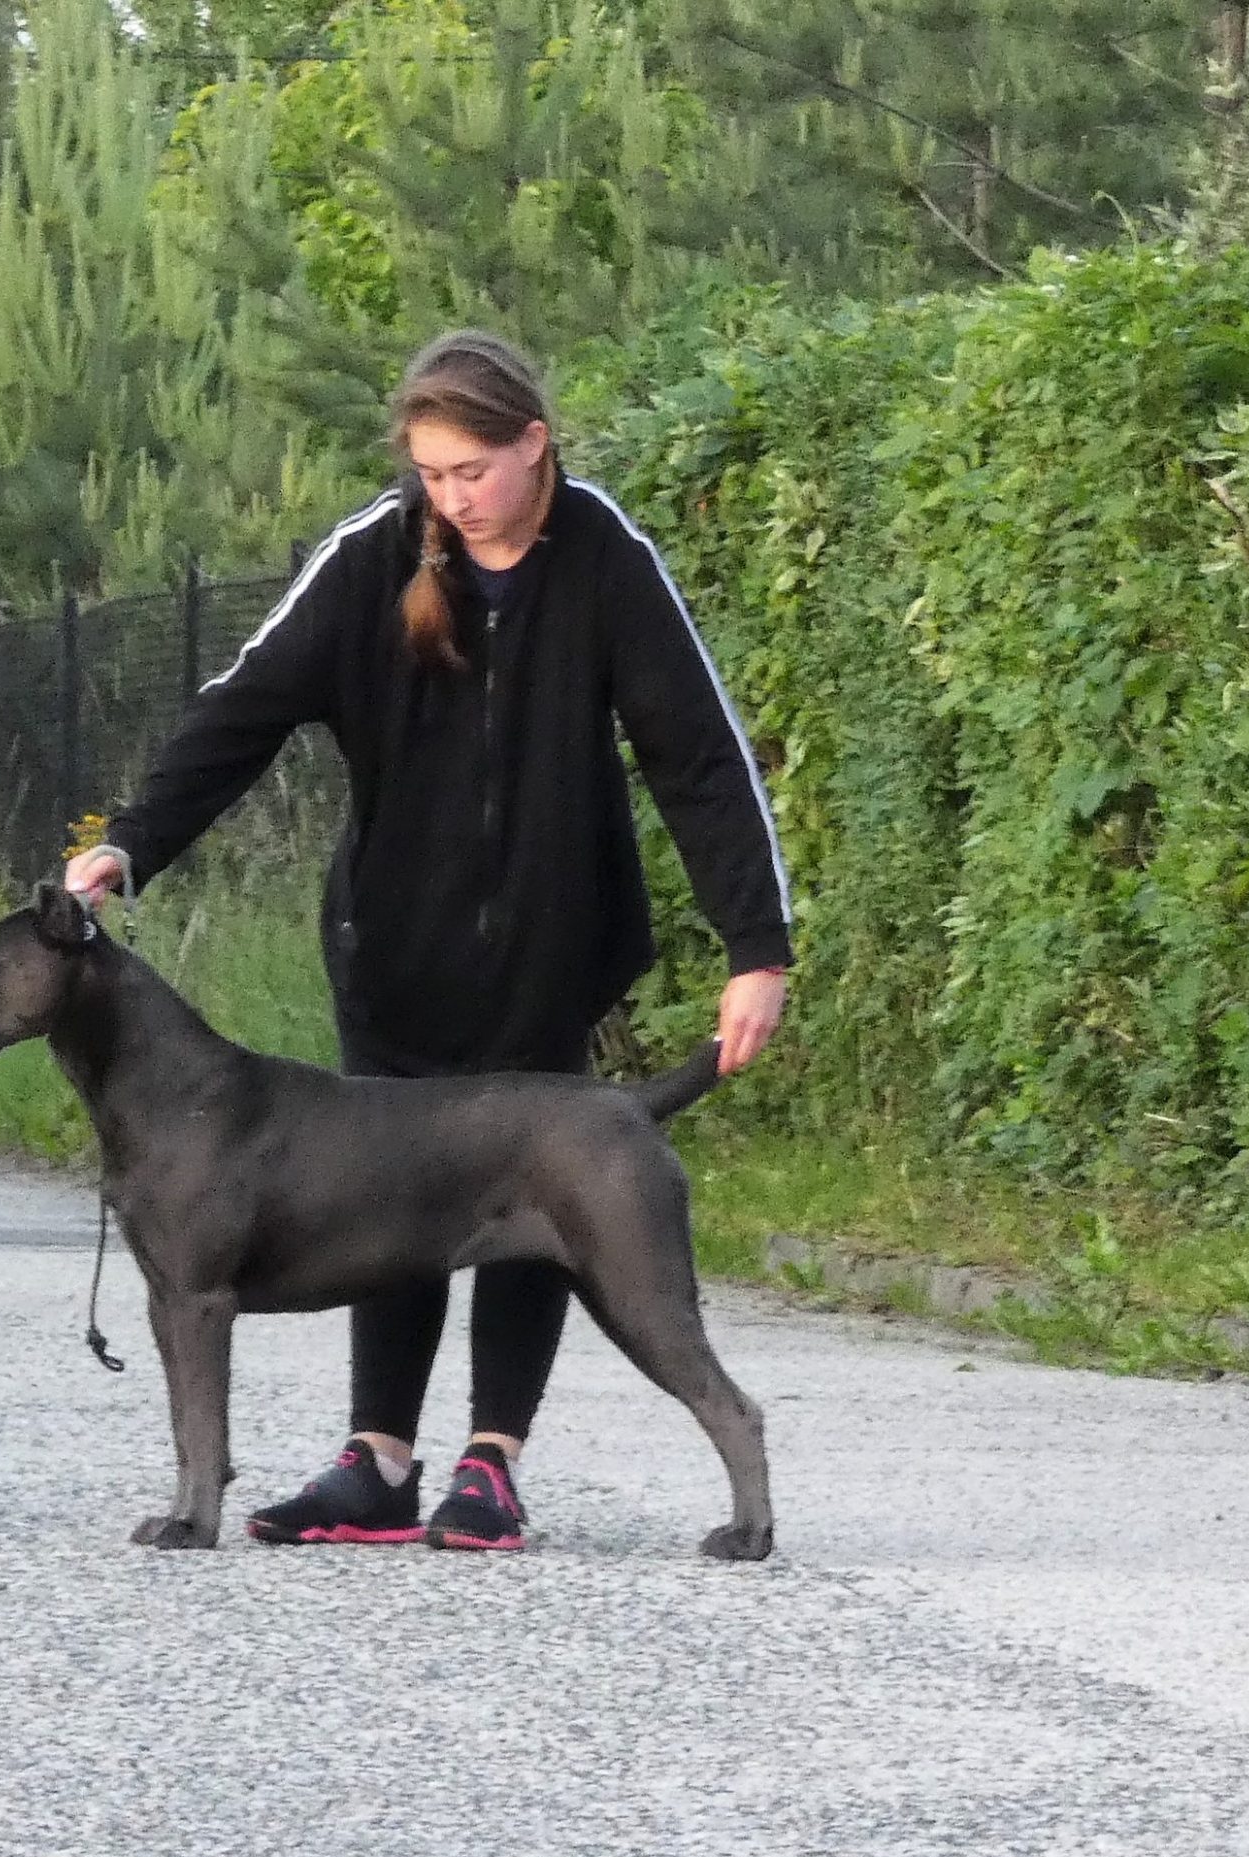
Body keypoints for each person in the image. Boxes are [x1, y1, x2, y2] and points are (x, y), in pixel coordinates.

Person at [63, 329, 792, 1553]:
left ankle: (491, 1464)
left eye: (469, 472)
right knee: (379, 1182)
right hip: (394, 943)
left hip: (553, 946)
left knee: (531, 1190)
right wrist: (128, 844)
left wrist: (754, 948)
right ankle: (378, 1460)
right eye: (429, 475)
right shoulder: (373, 556)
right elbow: (235, 716)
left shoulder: (606, 558)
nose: (446, 499)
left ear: (533, 445)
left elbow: (701, 762)